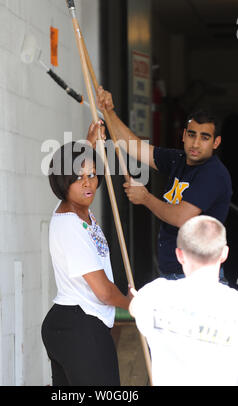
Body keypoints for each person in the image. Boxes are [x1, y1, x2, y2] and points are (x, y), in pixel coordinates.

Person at [94, 87, 232, 279]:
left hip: (198, 276)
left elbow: (181, 217)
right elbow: (134, 146)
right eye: (192, 135)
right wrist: (109, 111)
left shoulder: (213, 174)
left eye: (205, 137)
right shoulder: (178, 160)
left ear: (216, 143)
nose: (196, 143)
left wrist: (145, 198)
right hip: (174, 272)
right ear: (183, 135)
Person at [41, 136, 131, 386]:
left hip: (76, 324)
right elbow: (103, 291)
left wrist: (90, 144)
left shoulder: (80, 211)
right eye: (78, 178)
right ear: (63, 181)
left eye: (92, 175)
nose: (88, 183)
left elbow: (80, 166)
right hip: (80, 326)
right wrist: (130, 304)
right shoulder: (70, 224)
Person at [129, 215, 238, 386]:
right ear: (224, 253)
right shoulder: (234, 305)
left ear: (179, 255)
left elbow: (134, 308)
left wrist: (139, 298)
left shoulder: (155, 294)